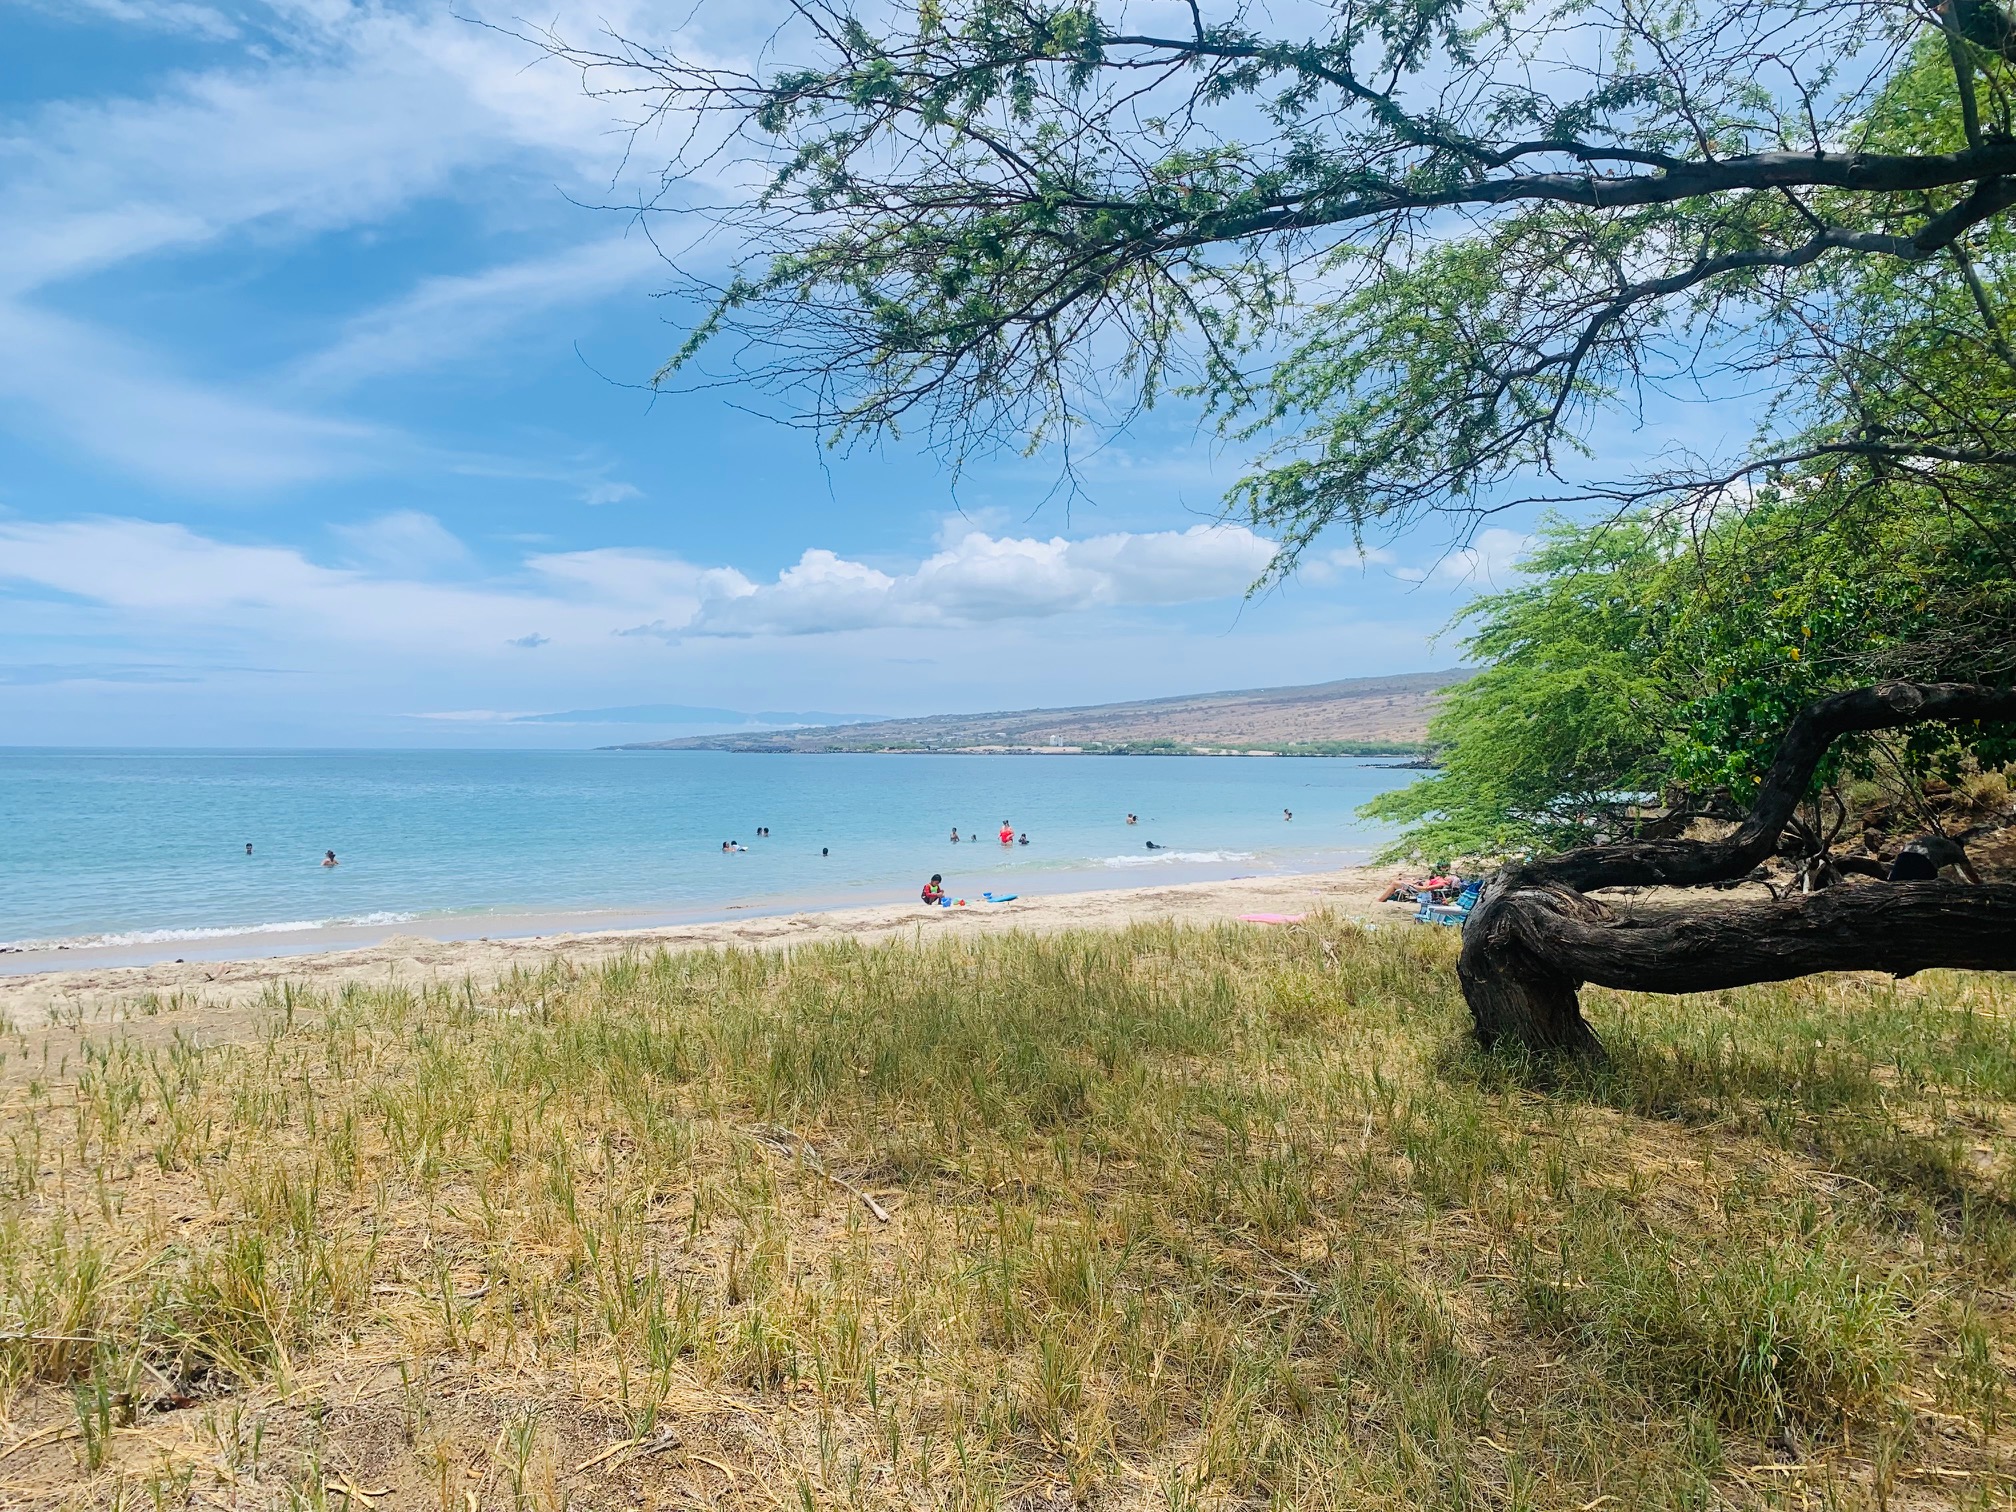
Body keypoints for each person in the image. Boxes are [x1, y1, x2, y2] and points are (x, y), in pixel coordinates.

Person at [1887, 832, 1983, 883]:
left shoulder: (1935, 840)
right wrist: (1979, 884)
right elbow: (1969, 871)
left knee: (1894, 885)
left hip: (1904, 855)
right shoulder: (1957, 849)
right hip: (1924, 860)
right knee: (1924, 890)